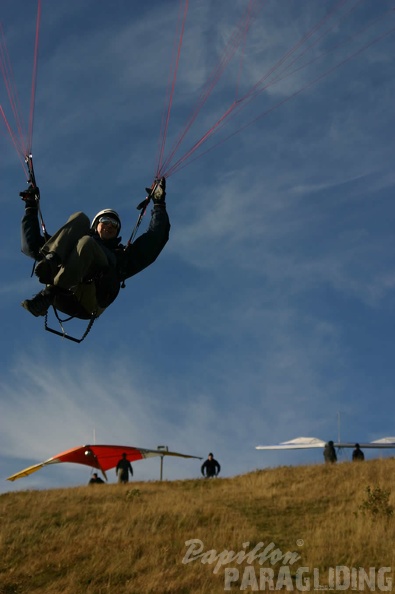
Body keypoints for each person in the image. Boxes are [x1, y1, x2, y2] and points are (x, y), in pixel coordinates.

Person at [19, 177, 170, 320]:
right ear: (95, 225)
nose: (110, 225)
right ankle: (52, 261)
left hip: (89, 301)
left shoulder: (121, 257)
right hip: (61, 294)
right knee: (80, 218)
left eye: (115, 225)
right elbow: (30, 246)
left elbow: (153, 240)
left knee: (87, 243)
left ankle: (50, 292)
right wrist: (31, 206)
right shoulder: (69, 243)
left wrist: (159, 205)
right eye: (105, 220)